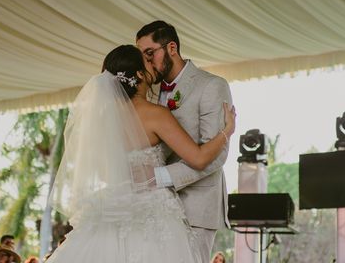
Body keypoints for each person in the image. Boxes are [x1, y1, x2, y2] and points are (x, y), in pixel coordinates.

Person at [45, 45, 236, 263]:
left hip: (111, 209)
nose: (152, 64)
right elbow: (199, 158)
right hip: (153, 209)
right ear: (138, 74)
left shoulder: (102, 120)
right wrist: (225, 132)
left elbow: (103, 171)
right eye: (146, 61)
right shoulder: (154, 114)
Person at [136, 21, 233, 261]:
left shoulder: (212, 85)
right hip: (156, 207)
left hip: (196, 207)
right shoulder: (149, 90)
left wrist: (157, 178)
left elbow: (217, 156)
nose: (146, 63)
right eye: (142, 56)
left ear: (171, 48)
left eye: (150, 53)